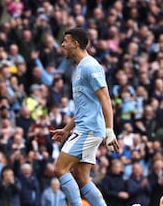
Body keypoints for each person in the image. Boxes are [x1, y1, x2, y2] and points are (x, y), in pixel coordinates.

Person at [50, 28, 119, 206]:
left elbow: (105, 98)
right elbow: (84, 108)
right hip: (85, 126)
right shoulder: (79, 68)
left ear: (76, 43)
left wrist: (109, 130)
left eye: (65, 41)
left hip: (88, 129)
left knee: (60, 168)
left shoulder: (91, 66)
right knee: (81, 177)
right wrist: (66, 129)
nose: (62, 45)